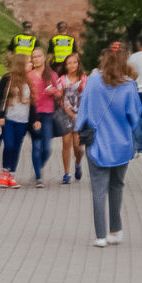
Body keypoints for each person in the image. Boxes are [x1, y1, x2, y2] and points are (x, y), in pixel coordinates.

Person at [74, 45, 141, 247]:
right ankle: (115, 230)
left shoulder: (93, 81)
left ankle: (100, 235)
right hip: (121, 144)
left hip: (96, 143)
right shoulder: (129, 86)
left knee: (98, 190)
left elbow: (83, 110)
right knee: (117, 186)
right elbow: (135, 117)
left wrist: (79, 132)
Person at [0, 54, 37, 188]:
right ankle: (4, 172)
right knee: (9, 145)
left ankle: (12, 175)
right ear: (21, 64)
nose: (31, 64)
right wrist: (0, 115)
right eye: (29, 62)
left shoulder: (29, 80)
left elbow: (33, 102)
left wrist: (34, 120)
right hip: (9, 119)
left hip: (23, 121)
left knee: (17, 147)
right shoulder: (8, 78)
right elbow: (0, 97)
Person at [28, 46, 60, 188]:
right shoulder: (28, 75)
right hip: (33, 114)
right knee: (36, 145)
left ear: (44, 58)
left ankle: (38, 166)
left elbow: (59, 94)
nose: (36, 59)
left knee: (47, 148)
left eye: (39, 56)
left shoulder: (52, 75)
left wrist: (54, 91)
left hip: (48, 114)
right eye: (33, 57)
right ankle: (38, 177)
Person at [57, 51, 87, 184]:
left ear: (78, 63)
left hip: (80, 115)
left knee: (78, 146)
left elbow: (87, 98)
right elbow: (60, 98)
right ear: (65, 66)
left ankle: (78, 163)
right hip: (65, 114)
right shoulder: (62, 80)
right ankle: (66, 173)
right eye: (69, 63)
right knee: (66, 143)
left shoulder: (84, 79)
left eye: (74, 62)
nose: (72, 65)